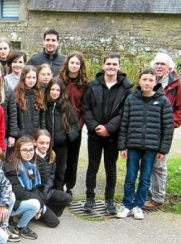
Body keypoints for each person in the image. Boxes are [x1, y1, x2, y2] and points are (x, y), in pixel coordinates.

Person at [81, 52, 134, 215]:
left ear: (119, 67)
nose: (111, 67)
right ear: (103, 66)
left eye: (114, 64)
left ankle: (109, 199)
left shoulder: (126, 87)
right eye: (108, 64)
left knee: (111, 168)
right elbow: (85, 107)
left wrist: (109, 128)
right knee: (93, 166)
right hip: (95, 134)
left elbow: (125, 111)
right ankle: (90, 197)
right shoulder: (93, 85)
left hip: (113, 135)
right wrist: (96, 126)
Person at [117, 69, 174, 219]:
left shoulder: (163, 101)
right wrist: (122, 146)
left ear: (156, 82)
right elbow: (124, 124)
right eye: (144, 80)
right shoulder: (131, 99)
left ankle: (138, 206)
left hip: (151, 148)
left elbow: (168, 127)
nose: (147, 83)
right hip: (133, 146)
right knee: (130, 177)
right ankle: (127, 204)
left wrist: (163, 149)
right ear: (139, 81)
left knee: (145, 178)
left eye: (150, 80)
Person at [144, 53, 181, 209]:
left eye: (163, 64)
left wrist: (170, 124)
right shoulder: (148, 80)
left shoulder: (177, 86)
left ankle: (158, 198)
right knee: (146, 161)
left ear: (170, 67)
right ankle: (147, 191)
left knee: (159, 163)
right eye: (157, 64)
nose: (159, 67)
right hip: (146, 129)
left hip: (163, 131)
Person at [58, 52, 90, 195]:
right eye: (72, 62)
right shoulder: (59, 80)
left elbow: (86, 106)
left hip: (76, 125)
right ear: (67, 63)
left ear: (81, 66)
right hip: (60, 123)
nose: (74, 66)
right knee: (60, 157)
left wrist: (79, 126)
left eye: (77, 63)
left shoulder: (85, 84)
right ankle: (58, 185)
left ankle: (69, 186)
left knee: (72, 158)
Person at [3, 136, 44, 239]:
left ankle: (19, 221)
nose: (29, 153)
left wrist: (41, 205)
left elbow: (35, 187)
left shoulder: (32, 164)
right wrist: (41, 203)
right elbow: (19, 193)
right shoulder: (11, 166)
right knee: (36, 204)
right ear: (18, 150)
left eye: (31, 150)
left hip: (23, 199)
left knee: (53, 221)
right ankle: (20, 227)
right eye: (25, 150)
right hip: (9, 204)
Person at [44, 78, 80, 190]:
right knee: (45, 170)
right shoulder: (44, 105)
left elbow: (75, 125)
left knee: (59, 171)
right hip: (45, 145)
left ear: (61, 92)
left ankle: (58, 192)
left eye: (57, 90)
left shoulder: (67, 107)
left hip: (61, 145)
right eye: (52, 89)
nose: (54, 92)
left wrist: (67, 137)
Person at [33, 130, 73, 227]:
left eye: (47, 143)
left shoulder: (51, 155)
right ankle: (38, 212)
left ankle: (46, 211)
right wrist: (41, 197)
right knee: (54, 223)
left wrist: (46, 190)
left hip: (46, 190)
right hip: (35, 193)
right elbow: (31, 182)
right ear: (34, 142)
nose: (44, 146)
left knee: (67, 197)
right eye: (41, 143)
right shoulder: (31, 156)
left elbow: (52, 175)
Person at [14, 65, 46, 137]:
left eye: (34, 77)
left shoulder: (39, 93)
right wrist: (19, 133)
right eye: (29, 77)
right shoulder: (17, 94)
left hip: (37, 135)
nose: (31, 80)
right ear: (23, 78)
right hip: (22, 135)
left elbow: (42, 117)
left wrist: (42, 132)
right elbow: (14, 117)